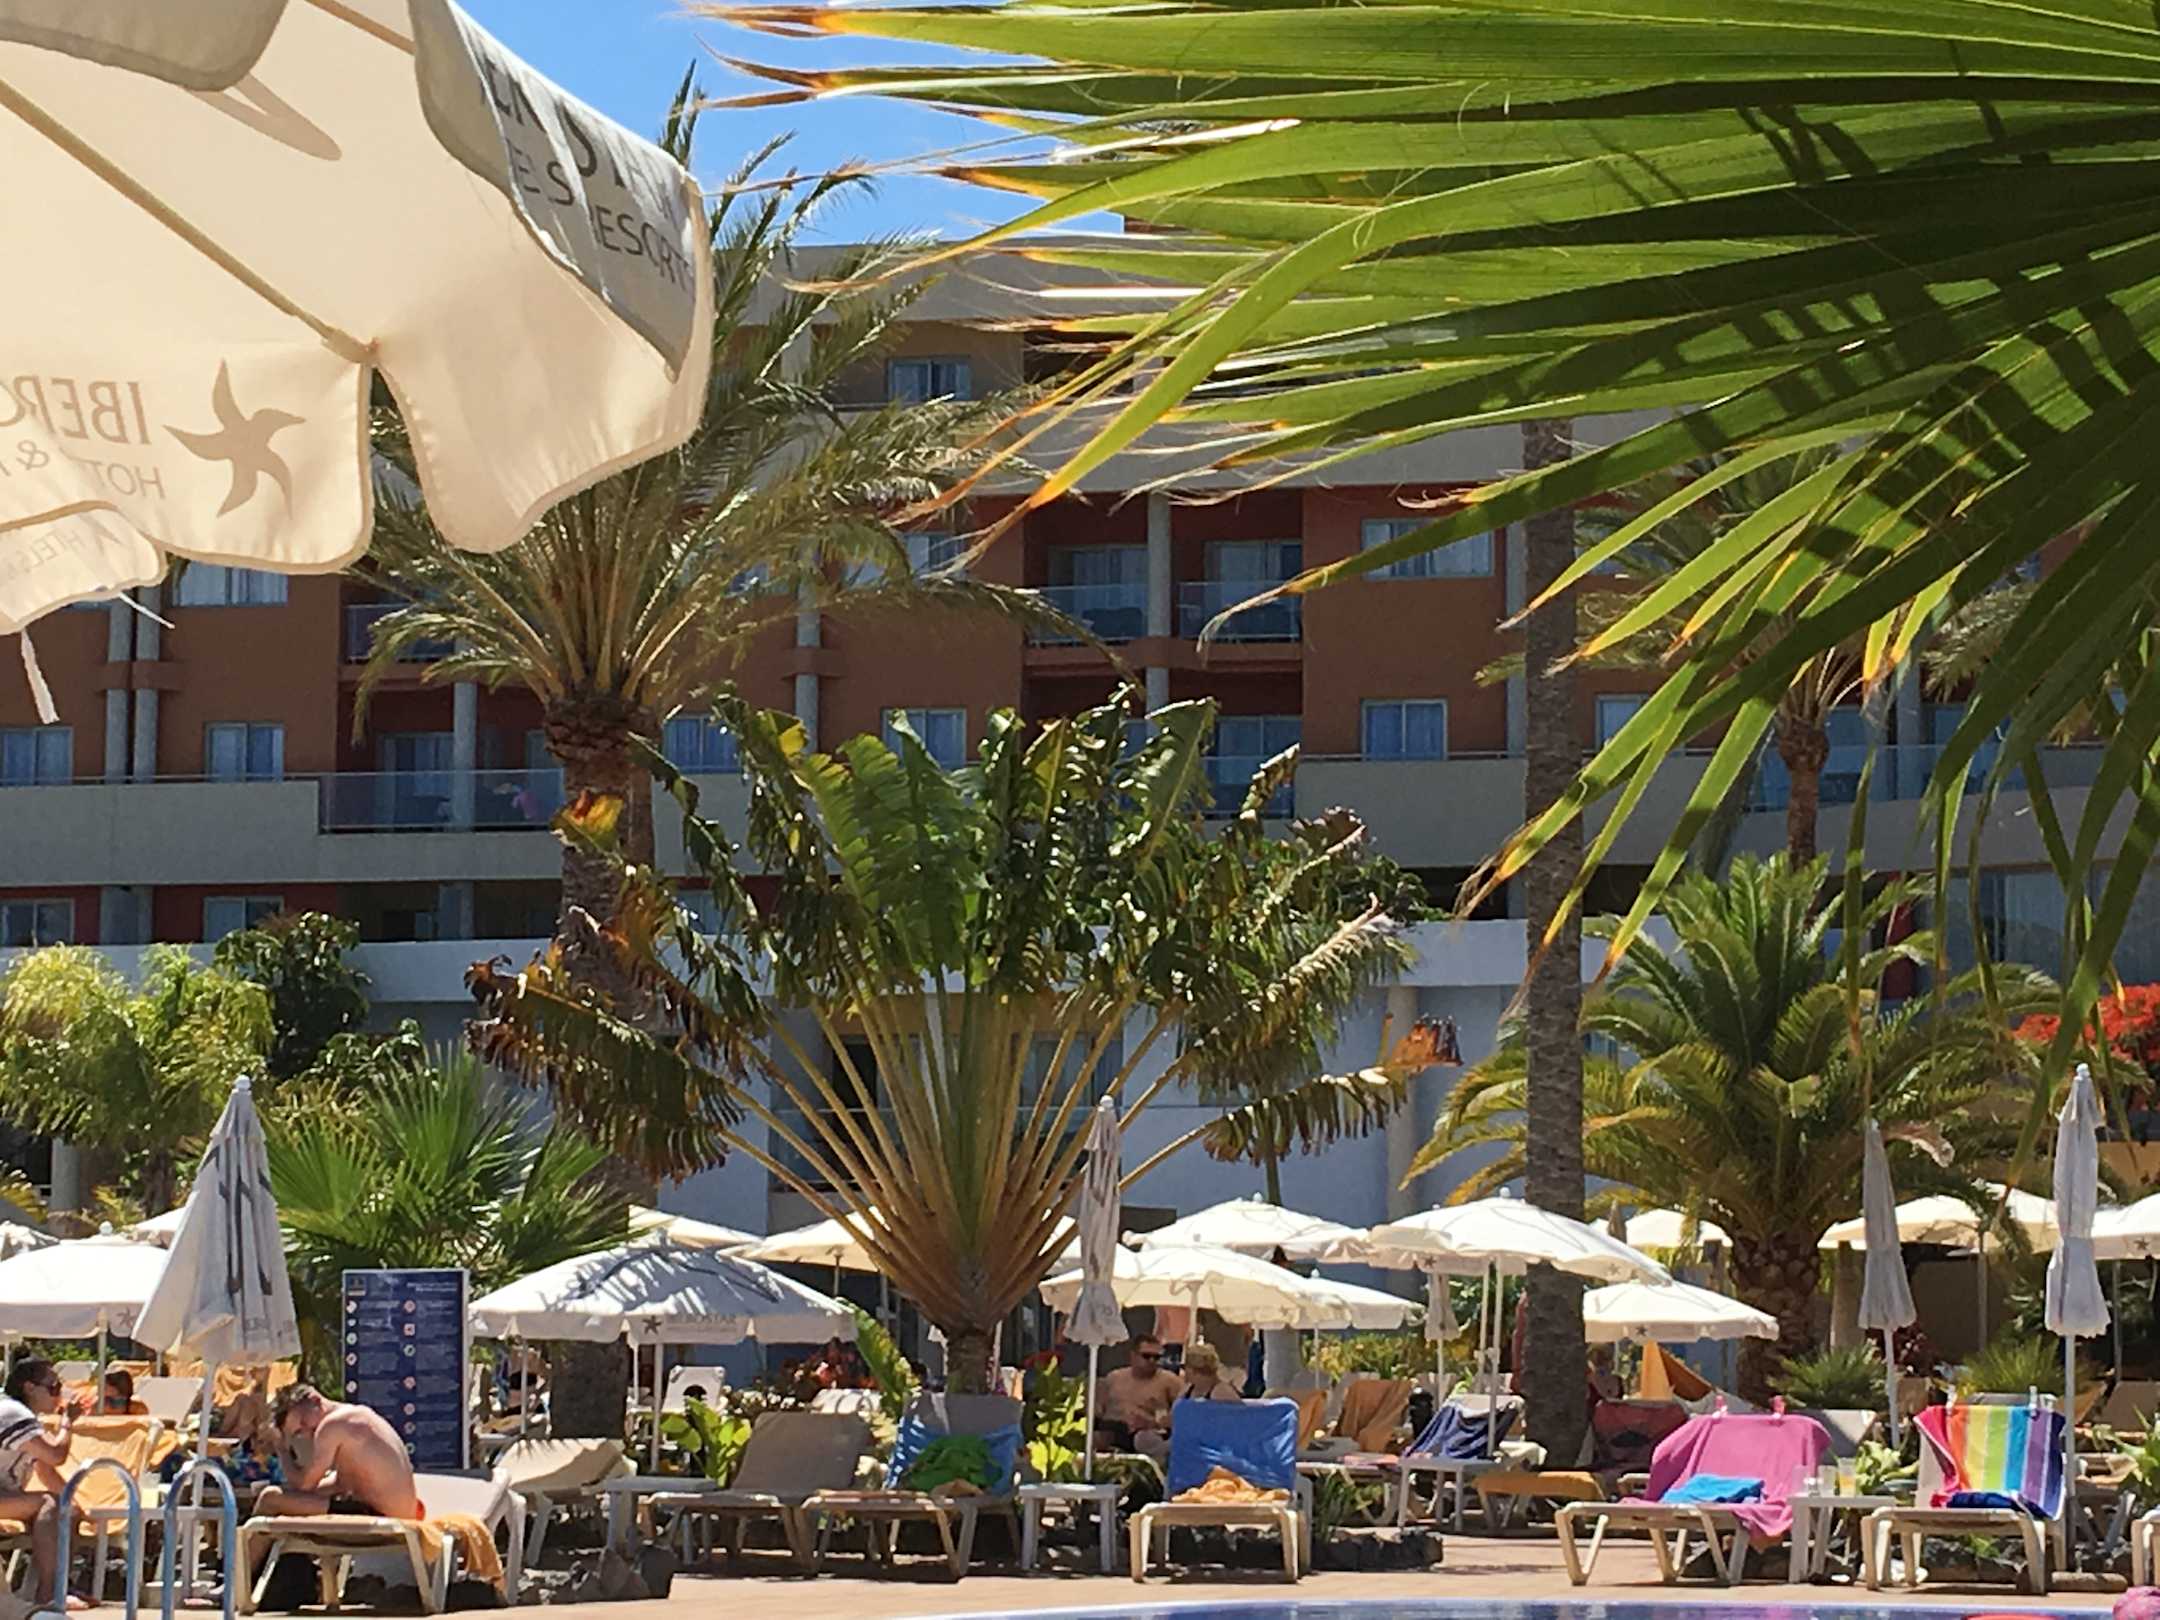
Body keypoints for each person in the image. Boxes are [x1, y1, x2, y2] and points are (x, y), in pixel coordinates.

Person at [0, 1357, 91, 1609]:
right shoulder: (12, 1413)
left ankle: (56, 1588)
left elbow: (45, 1470)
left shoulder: (21, 1417)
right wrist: (67, 1422)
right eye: (53, 1388)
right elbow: (55, 1455)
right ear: (30, 1388)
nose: (58, 1395)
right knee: (50, 1504)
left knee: (65, 1508)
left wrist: (75, 1506)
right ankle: (49, 1595)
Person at [256, 1384, 421, 1520]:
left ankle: (245, 1551)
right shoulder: (357, 1415)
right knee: (287, 1498)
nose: (307, 1432)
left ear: (315, 1400)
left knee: (270, 1498)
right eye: (299, 1432)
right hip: (400, 1519)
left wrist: (281, 1448)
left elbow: (304, 1486)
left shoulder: (331, 1425)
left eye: (304, 1421)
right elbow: (341, 1484)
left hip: (383, 1521)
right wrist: (292, 1493)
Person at [1094, 1334, 1182, 1453]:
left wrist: (1152, 1422)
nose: (1152, 1361)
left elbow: (1182, 1416)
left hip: (1145, 1434)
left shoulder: (1170, 1381)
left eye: (1156, 1357)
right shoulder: (1114, 1377)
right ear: (1133, 1356)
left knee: (1146, 1439)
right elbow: (1098, 1410)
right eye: (1146, 1356)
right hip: (1111, 1430)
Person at [1178, 1343, 1244, 1404]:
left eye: (1185, 1367)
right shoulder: (1187, 1390)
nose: (1185, 1372)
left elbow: (1240, 1412)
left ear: (1194, 1371)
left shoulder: (1223, 1393)